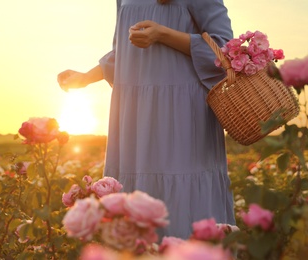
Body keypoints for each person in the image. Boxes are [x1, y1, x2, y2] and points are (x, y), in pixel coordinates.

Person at [57, 0, 235, 239]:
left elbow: (224, 49)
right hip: (133, 112)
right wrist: (87, 77)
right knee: (133, 209)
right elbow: (123, 51)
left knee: (183, 202)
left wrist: (163, 34)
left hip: (181, 114)